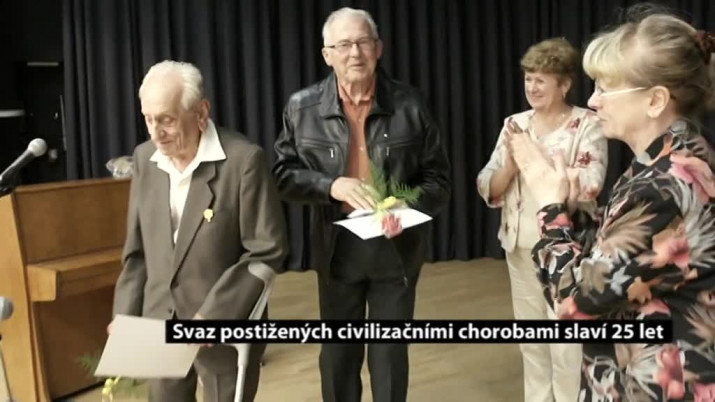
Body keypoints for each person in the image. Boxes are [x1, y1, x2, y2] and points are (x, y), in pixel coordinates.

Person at [509, 8, 715, 401]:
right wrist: (571, 210)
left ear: (655, 100)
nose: (593, 100)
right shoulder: (679, 154)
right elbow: (624, 257)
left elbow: (573, 303)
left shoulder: (662, 186)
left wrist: (550, 210)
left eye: (605, 88)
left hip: (655, 384)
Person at [272, 7, 450, 402]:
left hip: (396, 249)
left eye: (363, 42)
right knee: (338, 357)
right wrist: (330, 185)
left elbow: (438, 181)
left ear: (378, 48)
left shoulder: (410, 104)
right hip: (337, 250)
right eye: (344, 45)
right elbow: (282, 175)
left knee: (389, 359)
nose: (355, 53)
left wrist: (406, 208)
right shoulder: (301, 108)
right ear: (327, 55)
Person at [111, 60, 289, 402]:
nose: (155, 133)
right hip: (160, 321)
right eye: (148, 119)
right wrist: (125, 316)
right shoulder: (145, 158)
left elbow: (266, 250)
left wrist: (213, 316)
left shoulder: (243, 161)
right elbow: (137, 252)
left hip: (221, 325)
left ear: (201, 112)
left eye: (166, 119)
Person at [476, 37, 608, 402]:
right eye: (528, 79)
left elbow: (590, 184)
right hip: (520, 246)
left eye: (541, 80)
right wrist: (510, 166)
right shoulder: (514, 124)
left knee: (566, 343)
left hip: (567, 252)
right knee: (531, 339)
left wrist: (534, 158)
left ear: (564, 85)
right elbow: (486, 183)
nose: (531, 87)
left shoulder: (587, 124)